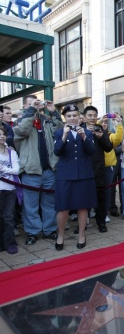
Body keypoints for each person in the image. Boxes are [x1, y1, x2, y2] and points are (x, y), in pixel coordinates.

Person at [13, 96, 64, 245]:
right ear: (25, 106)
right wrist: (31, 112)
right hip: (31, 171)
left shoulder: (46, 121)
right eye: (31, 104)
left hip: (49, 170)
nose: (35, 106)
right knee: (30, 205)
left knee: (49, 203)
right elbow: (22, 130)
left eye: (37, 103)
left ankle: (49, 230)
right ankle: (33, 232)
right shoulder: (20, 122)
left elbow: (60, 131)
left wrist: (53, 112)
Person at [53, 105, 97, 250]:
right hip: (65, 175)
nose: (72, 118)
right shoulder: (59, 132)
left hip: (84, 174)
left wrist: (84, 136)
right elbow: (57, 152)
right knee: (63, 207)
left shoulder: (87, 132)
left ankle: (82, 234)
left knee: (83, 206)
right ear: (65, 118)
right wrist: (65, 136)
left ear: (79, 117)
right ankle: (60, 235)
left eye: (75, 115)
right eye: (69, 116)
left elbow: (91, 151)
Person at [82, 106, 113, 233]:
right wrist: (85, 133)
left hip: (99, 170)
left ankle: (101, 222)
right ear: (84, 117)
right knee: (84, 199)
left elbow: (109, 147)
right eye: (89, 115)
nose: (92, 118)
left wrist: (101, 137)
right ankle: (82, 224)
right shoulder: (79, 129)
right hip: (84, 170)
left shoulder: (99, 129)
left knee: (101, 198)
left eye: (94, 115)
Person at [97, 114, 124, 223]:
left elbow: (118, 138)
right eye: (102, 123)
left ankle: (104, 213)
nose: (104, 125)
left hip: (109, 166)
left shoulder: (109, 135)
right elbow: (95, 126)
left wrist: (119, 124)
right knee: (96, 191)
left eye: (105, 123)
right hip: (96, 166)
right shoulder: (94, 133)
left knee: (107, 191)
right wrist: (100, 121)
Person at [0, 126, 20, 255]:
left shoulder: (12, 152)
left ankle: (10, 243)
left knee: (8, 217)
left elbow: (17, 170)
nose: (1, 136)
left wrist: (3, 169)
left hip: (10, 188)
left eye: (3, 134)